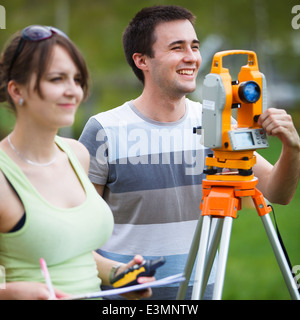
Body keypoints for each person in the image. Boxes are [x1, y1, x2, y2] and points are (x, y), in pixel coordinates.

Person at [79, 5, 300, 300]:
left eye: (194, 46)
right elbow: (77, 233)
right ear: (142, 60)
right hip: (125, 299)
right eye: (177, 47)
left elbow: (277, 191)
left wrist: (292, 147)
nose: (192, 57)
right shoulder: (103, 130)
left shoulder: (215, 124)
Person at [0, 25, 153, 300]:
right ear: (16, 89)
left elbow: (72, 250)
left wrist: (119, 275)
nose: (73, 91)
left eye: (77, 79)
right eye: (57, 79)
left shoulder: (77, 154)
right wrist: (9, 293)